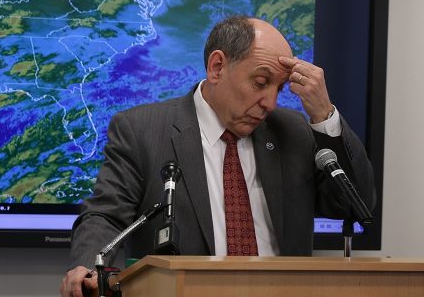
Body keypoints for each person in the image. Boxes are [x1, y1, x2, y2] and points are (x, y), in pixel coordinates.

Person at [59, 15, 375, 297]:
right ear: (217, 67)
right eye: (261, 82)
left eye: (279, 89)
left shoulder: (291, 131)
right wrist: (88, 266)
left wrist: (324, 115)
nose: (270, 103)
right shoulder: (142, 130)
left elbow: (355, 204)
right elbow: (106, 215)